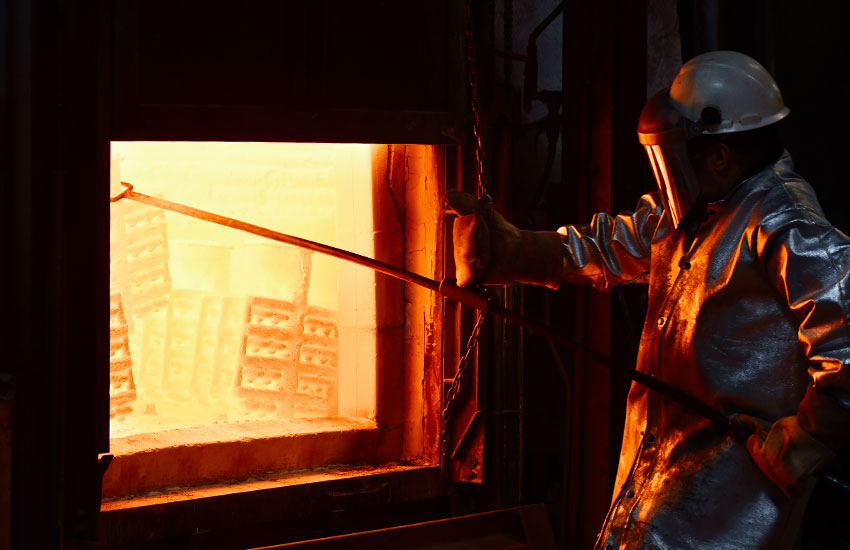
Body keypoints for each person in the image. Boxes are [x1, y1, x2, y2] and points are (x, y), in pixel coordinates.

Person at [447, 50, 850, 549]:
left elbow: (846, 343)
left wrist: (809, 439)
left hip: (729, 506)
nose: (666, 178)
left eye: (678, 156)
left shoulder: (786, 224)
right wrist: (519, 252)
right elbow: (618, 242)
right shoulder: (703, 205)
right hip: (661, 482)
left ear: (721, 156)